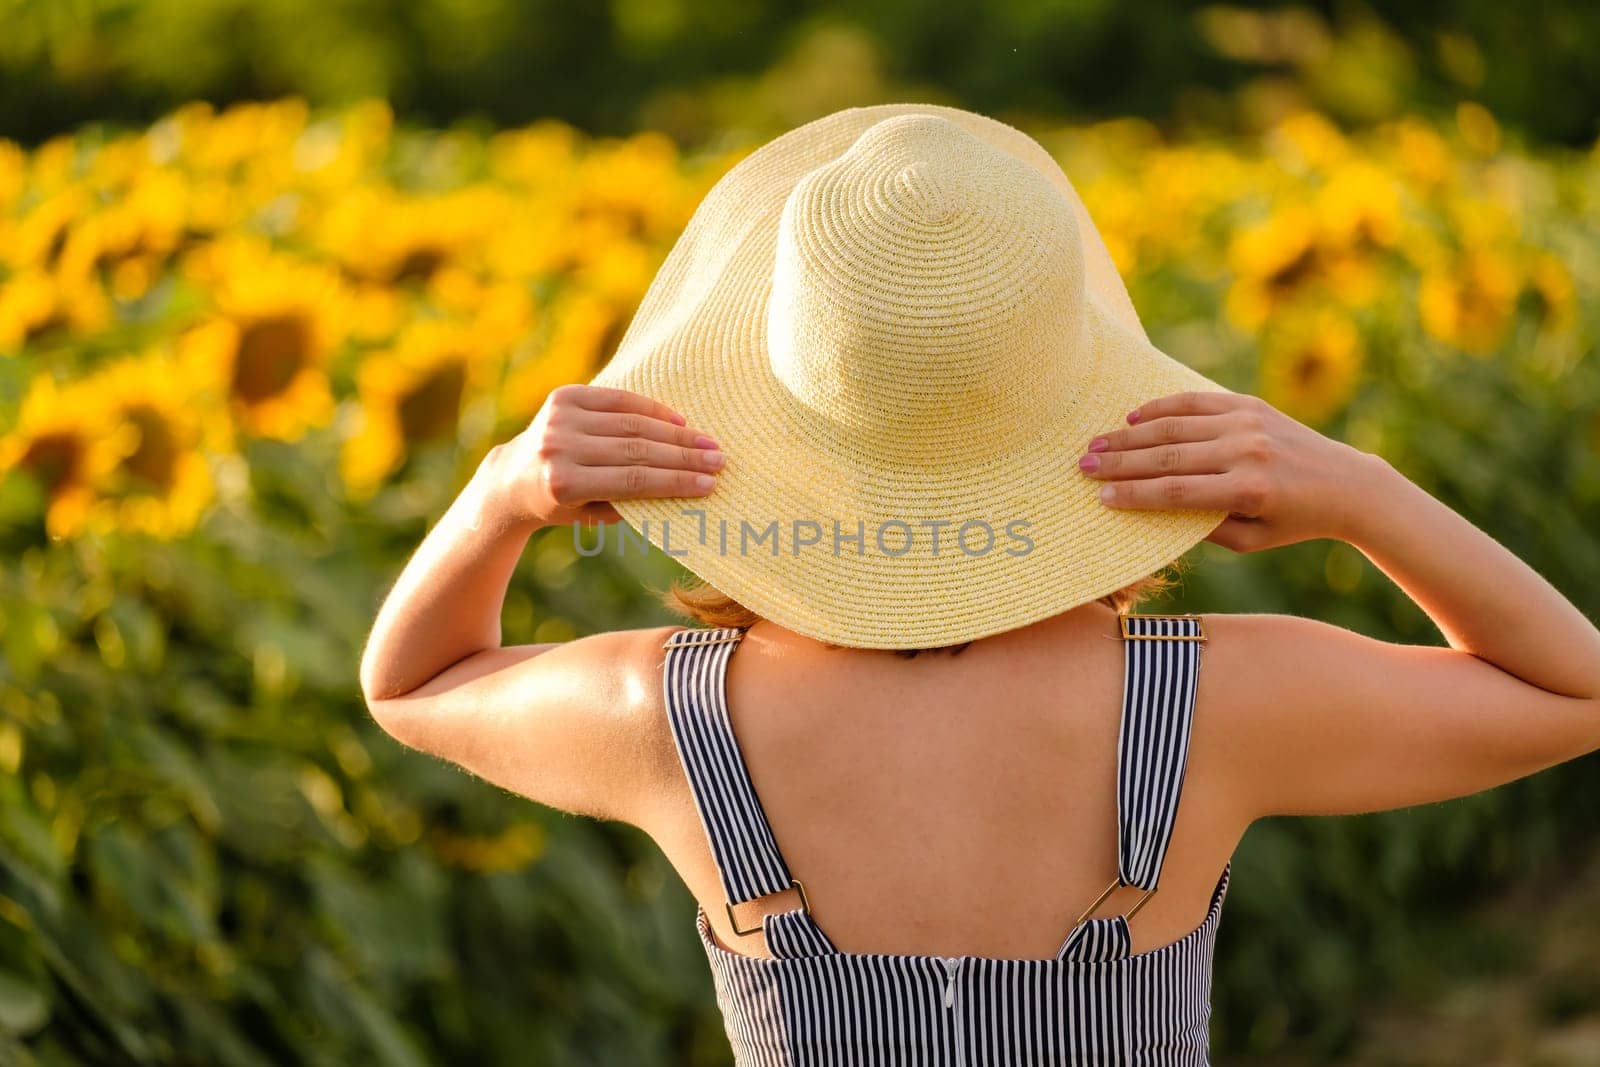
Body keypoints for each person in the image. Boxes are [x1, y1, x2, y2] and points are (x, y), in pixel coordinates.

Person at [358, 105, 1600, 1064]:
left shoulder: (669, 720)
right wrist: (1361, 491)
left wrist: (503, 490)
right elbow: (1574, 688)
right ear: (1073, 400)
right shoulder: (1213, 702)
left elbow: (413, 680)